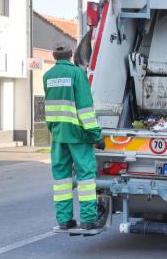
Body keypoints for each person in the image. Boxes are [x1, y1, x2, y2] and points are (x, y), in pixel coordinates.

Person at [43, 43, 105, 230]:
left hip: (58, 135)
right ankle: (88, 219)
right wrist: (96, 136)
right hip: (78, 136)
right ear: (71, 56)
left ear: (54, 56)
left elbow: (50, 107)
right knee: (85, 177)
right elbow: (85, 109)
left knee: (61, 179)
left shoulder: (48, 76)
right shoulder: (77, 74)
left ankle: (64, 220)